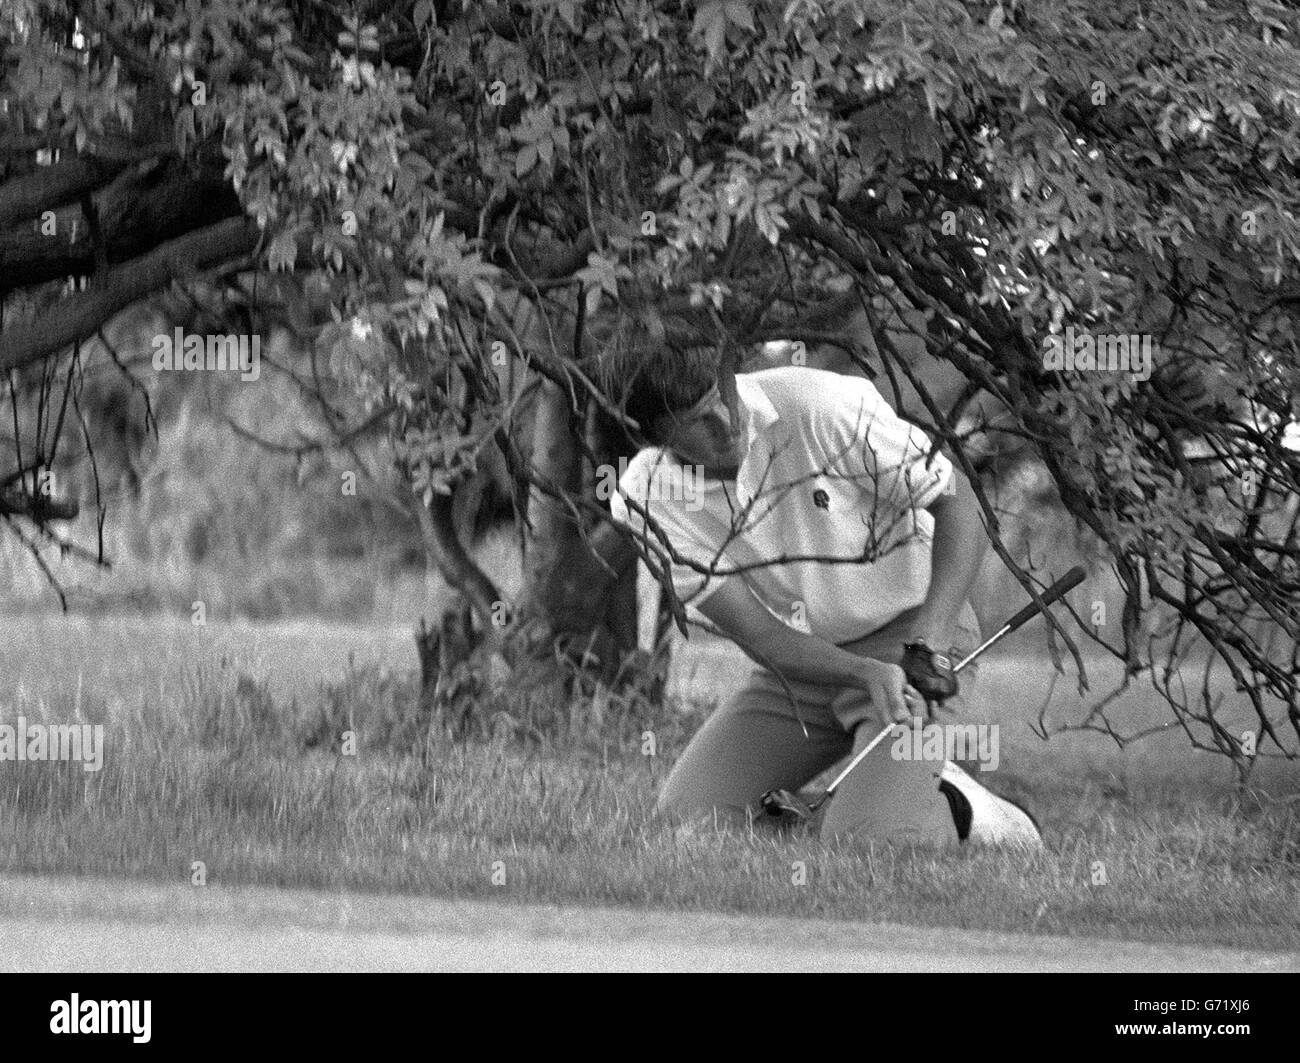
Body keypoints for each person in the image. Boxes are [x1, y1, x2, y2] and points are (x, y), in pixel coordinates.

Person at [610, 360, 1041, 848]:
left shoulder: (819, 405)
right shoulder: (645, 499)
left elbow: (958, 498)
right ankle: (876, 798)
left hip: (914, 638)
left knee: (868, 843)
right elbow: (763, 637)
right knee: (691, 819)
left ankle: (980, 813)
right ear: (649, 436)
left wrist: (931, 644)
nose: (726, 424)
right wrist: (860, 673)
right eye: (695, 419)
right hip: (808, 664)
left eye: (721, 397)